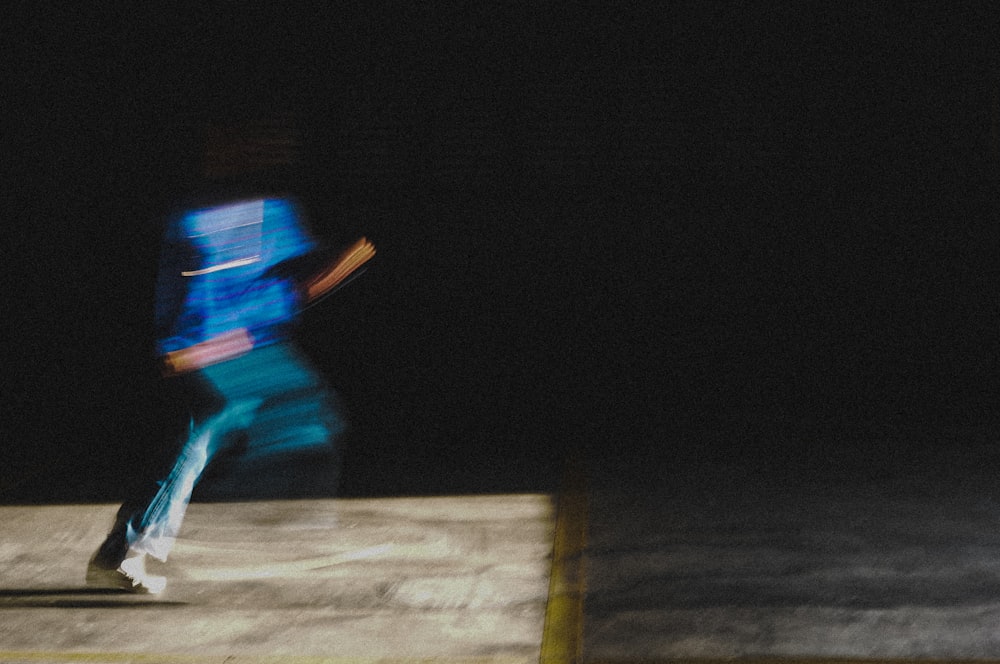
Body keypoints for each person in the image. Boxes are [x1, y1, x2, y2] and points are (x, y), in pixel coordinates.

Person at [86, 117, 375, 593]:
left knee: (222, 434)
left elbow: (296, 283)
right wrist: (178, 346)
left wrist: (339, 266)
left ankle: (126, 545)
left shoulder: (275, 212)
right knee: (201, 436)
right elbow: (178, 287)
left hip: (248, 346)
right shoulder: (196, 215)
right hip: (207, 347)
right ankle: (126, 550)